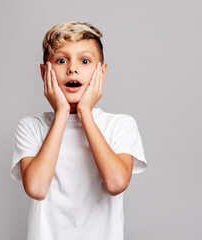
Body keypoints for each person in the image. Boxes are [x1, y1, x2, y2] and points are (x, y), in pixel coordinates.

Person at [10, 21, 147, 240]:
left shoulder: (120, 125)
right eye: (61, 60)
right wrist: (62, 113)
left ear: (101, 71)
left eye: (85, 61)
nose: (72, 68)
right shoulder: (31, 126)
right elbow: (36, 188)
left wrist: (85, 112)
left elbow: (116, 183)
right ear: (45, 71)